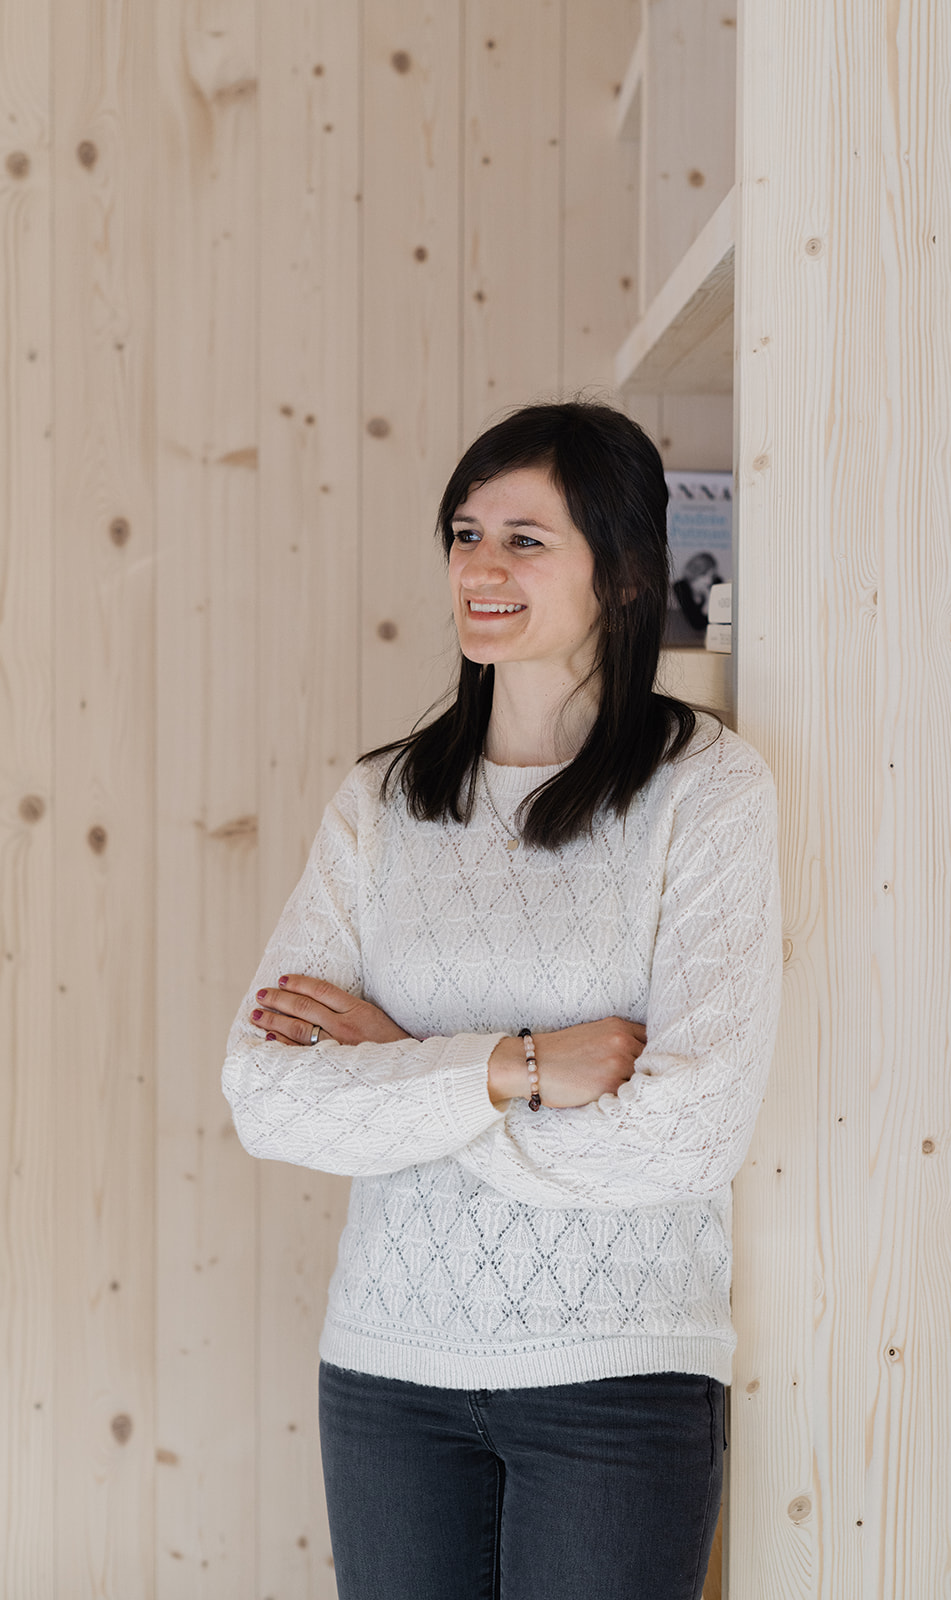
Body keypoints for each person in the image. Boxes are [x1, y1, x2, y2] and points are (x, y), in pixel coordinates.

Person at [223, 399, 781, 1600]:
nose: (479, 565)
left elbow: (689, 1131)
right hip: (384, 1375)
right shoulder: (378, 805)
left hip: (616, 1383)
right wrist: (507, 1066)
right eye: (465, 531)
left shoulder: (709, 792)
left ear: (625, 575)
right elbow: (266, 1097)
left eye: (525, 539)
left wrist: (399, 1062)